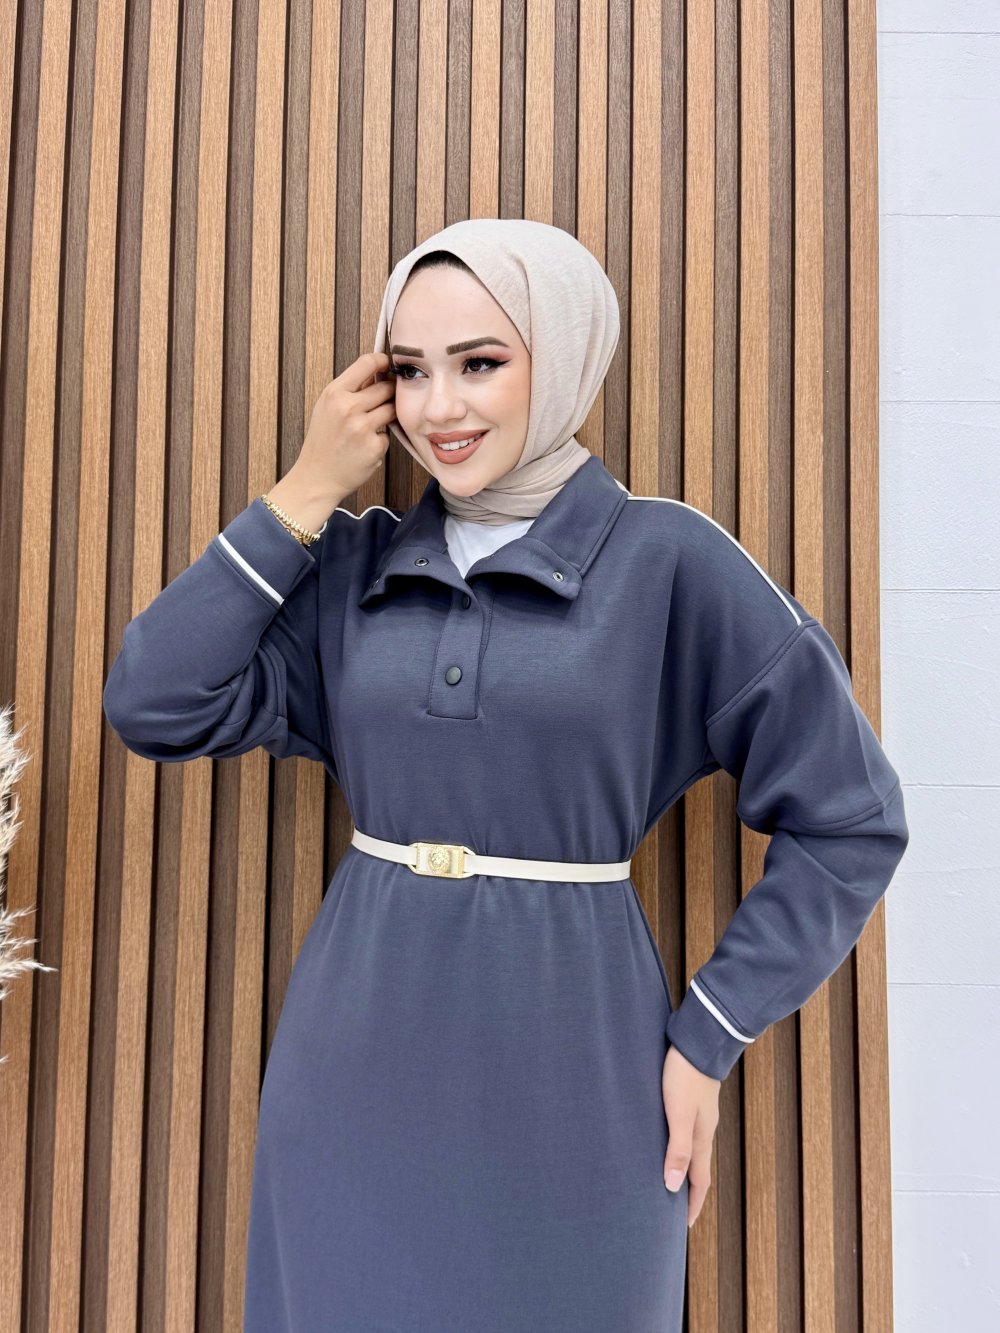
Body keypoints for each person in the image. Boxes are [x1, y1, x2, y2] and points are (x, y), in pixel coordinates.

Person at [102, 218, 910, 1332]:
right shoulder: (354, 565)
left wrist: (709, 1036)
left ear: (562, 354)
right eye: (409, 371)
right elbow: (153, 702)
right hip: (351, 1082)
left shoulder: (671, 560)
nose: (440, 407)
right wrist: (304, 490)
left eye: (480, 363)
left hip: (584, 1084)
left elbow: (851, 819)